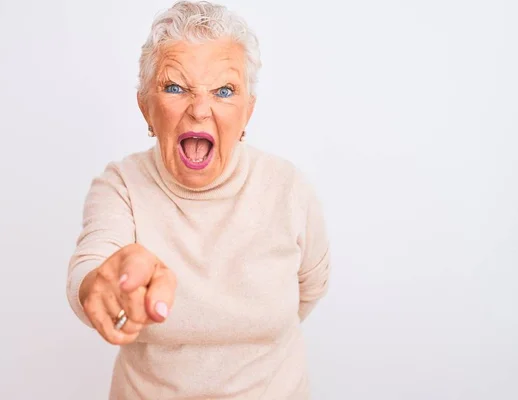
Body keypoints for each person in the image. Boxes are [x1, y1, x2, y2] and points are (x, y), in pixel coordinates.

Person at [66, 1, 331, 398]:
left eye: (224, 91)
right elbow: (92, 271)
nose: (200, 110)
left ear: (247, 112)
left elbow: (310, 288)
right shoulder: (121, 185)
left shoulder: (287, 188)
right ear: (145, 107)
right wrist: (109, 285)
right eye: (175, 87)